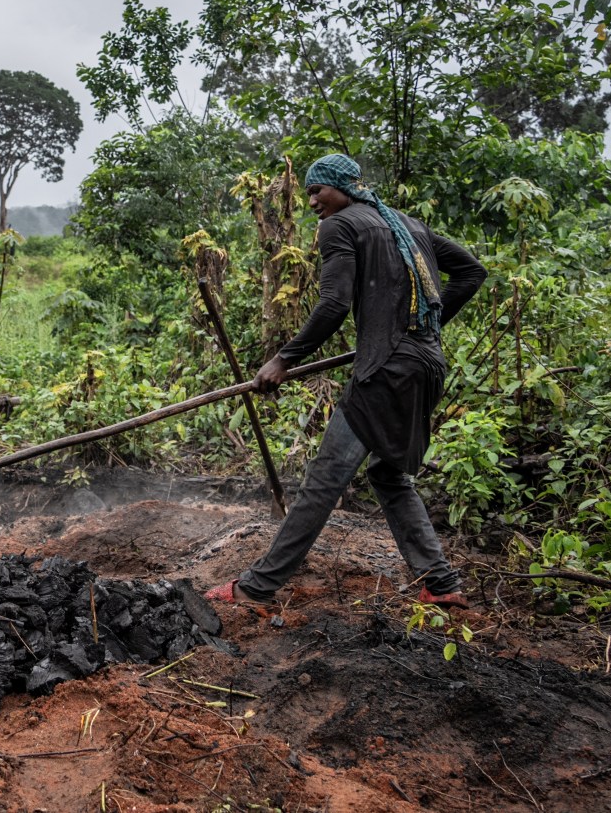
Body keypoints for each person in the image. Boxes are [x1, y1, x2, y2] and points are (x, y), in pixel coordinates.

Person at [206, 153, 487, 608]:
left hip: (387, 371)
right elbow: (472, 271)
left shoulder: (339, 227)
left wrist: (283, 359)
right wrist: (421, 325)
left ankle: (257, 587)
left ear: (342, 187)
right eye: (309, 193)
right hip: (427, 366)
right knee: (389, 475)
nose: (312, 201)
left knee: (325, 478)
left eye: (317, 190)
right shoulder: (407, 223)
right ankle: (441, 583)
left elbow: (334, 304)